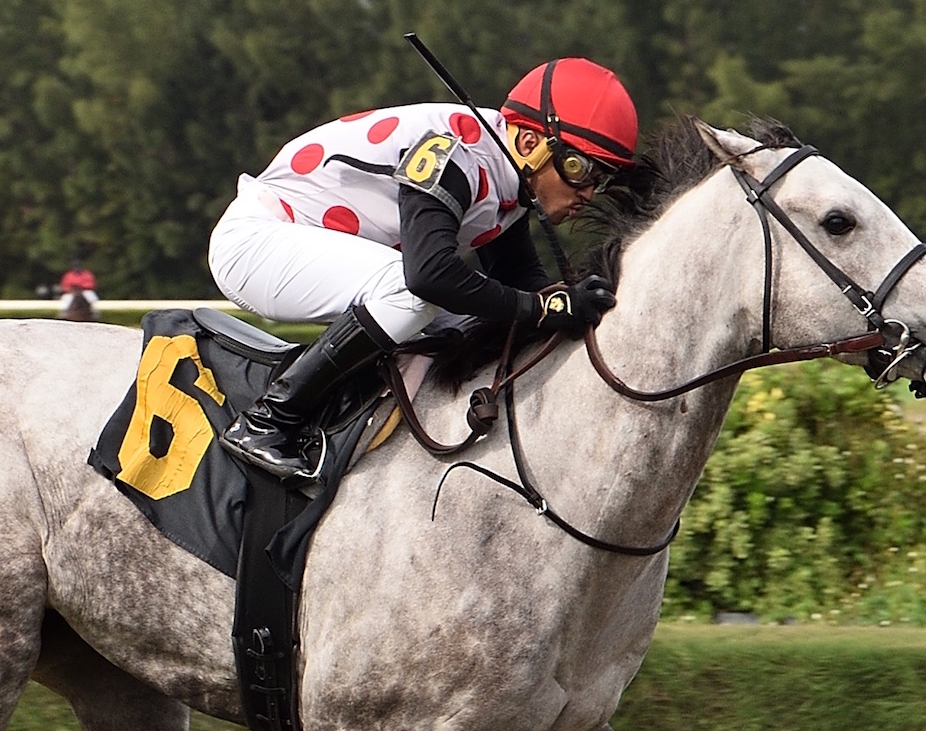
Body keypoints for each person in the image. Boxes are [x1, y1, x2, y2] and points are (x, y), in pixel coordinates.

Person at [208, 58, 637, 480]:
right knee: (415, 296)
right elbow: (430, 275)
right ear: (530, 144)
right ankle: (269, 420)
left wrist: (572, 308)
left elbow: (523, 282)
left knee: (471, 327)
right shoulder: (455, 154)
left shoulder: (505, 179)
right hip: (257, 244)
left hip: (302, 251)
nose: (588, 193)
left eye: (602, 178)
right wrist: (543, 307)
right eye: (581, 169)